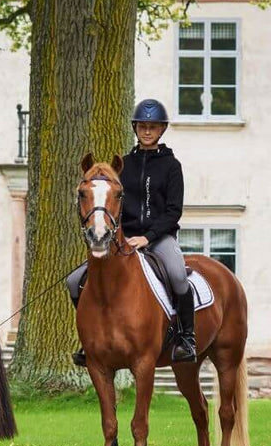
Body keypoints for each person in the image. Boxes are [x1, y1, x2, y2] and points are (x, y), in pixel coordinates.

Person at [67, 97, 195, 367]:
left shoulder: (172, 167)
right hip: (122, 240)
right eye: (142, 126)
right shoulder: (122, 166)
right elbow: (110, 204)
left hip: (159, 239)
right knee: (73, 280)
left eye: (153, 126)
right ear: (135, 128)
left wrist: (148, 237)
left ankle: (186, 338)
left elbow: (173, 211)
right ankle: (88, 339)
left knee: (177, 276)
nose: (147, 131)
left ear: (162, 130)